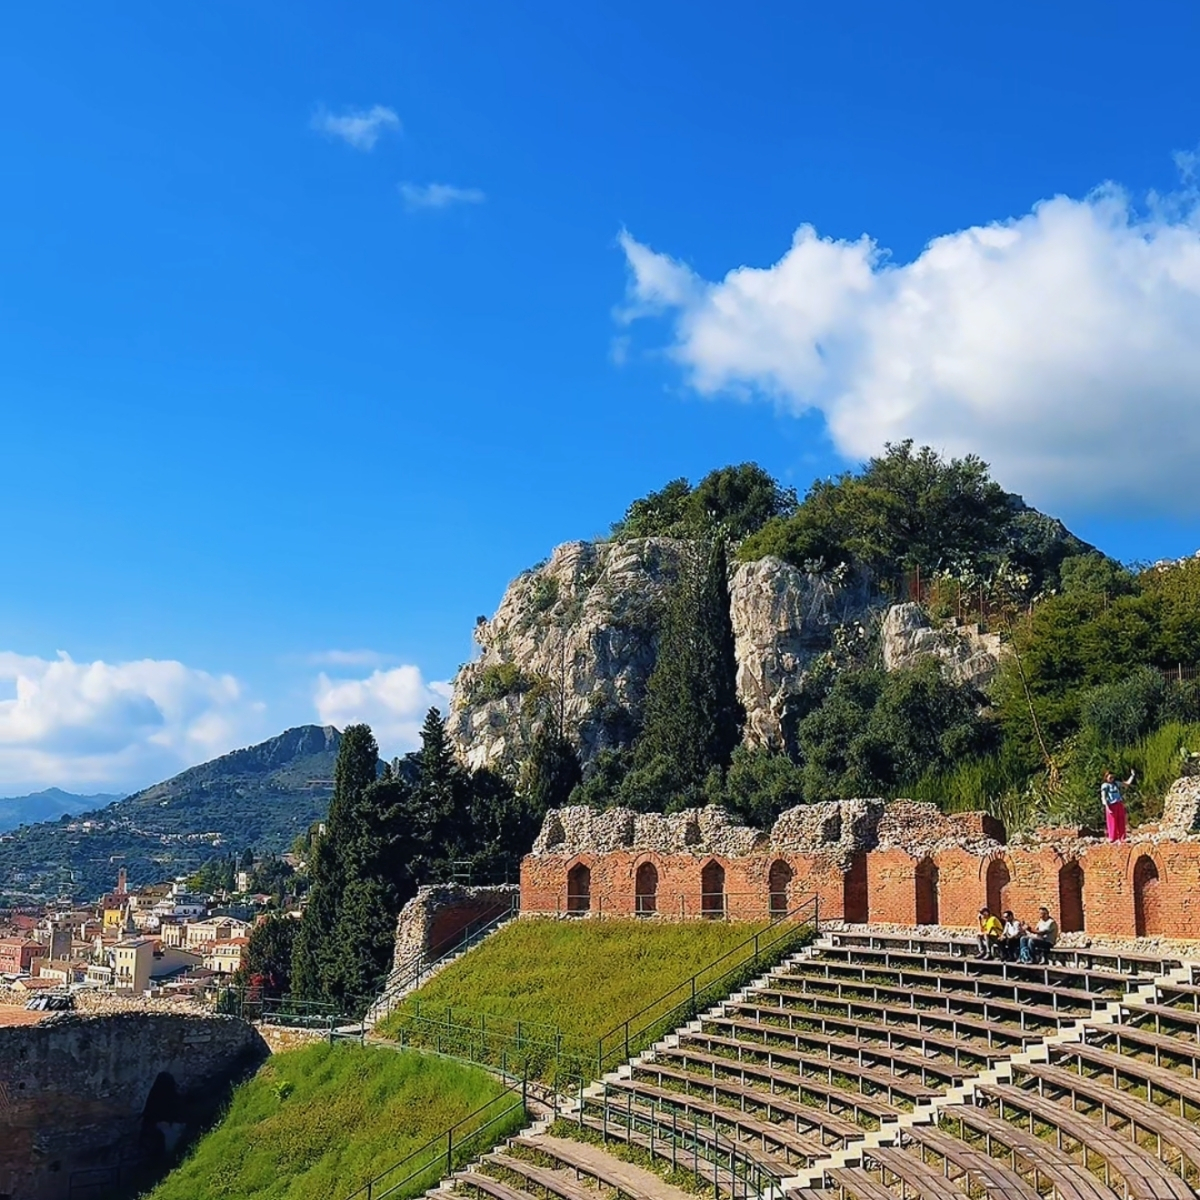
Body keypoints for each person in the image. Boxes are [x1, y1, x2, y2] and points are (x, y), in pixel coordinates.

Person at [1101, 768, 1136, 842]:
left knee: (1121, 820)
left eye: (1113, 777)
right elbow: (1103, 797)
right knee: (1112, 821)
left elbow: (1126, 784)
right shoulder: (1105, 786)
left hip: (1119, 803)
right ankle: (1112, 837)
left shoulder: (1116, 783)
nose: (1112, 779)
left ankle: (1122, 837)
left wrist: (1132, 775)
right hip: (1111, 805)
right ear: (1106, 778)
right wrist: (1107, 807)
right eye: (1110, 777)